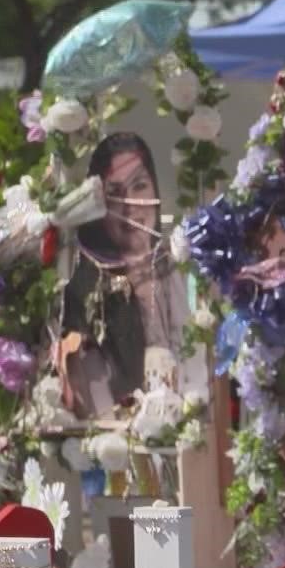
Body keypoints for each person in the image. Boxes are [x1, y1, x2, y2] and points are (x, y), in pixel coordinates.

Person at [61, 132, 187, 418]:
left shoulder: (177, 266)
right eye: (115, 194)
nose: (131, 206)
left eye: (139, 186)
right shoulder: (89, 286)